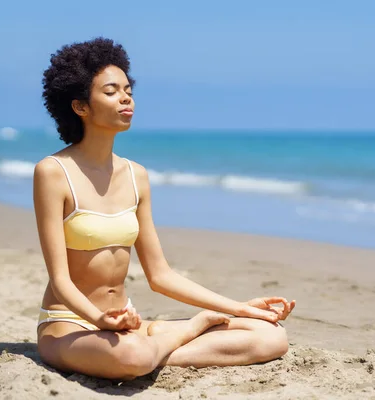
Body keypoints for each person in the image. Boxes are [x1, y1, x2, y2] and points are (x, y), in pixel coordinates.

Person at [33, 37, 296, 381]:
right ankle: (181, 335)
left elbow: (160, 276)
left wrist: (240, 307)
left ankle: (156, 349)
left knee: (270, 337)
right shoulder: (53, 172)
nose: (126, 97)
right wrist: (99, 320)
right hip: (70, 326)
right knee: (130, 356)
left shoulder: (136, 176)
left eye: (128, 89)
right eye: (111, 91)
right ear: (81, 106)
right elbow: (61, 280)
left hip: (128, 324)